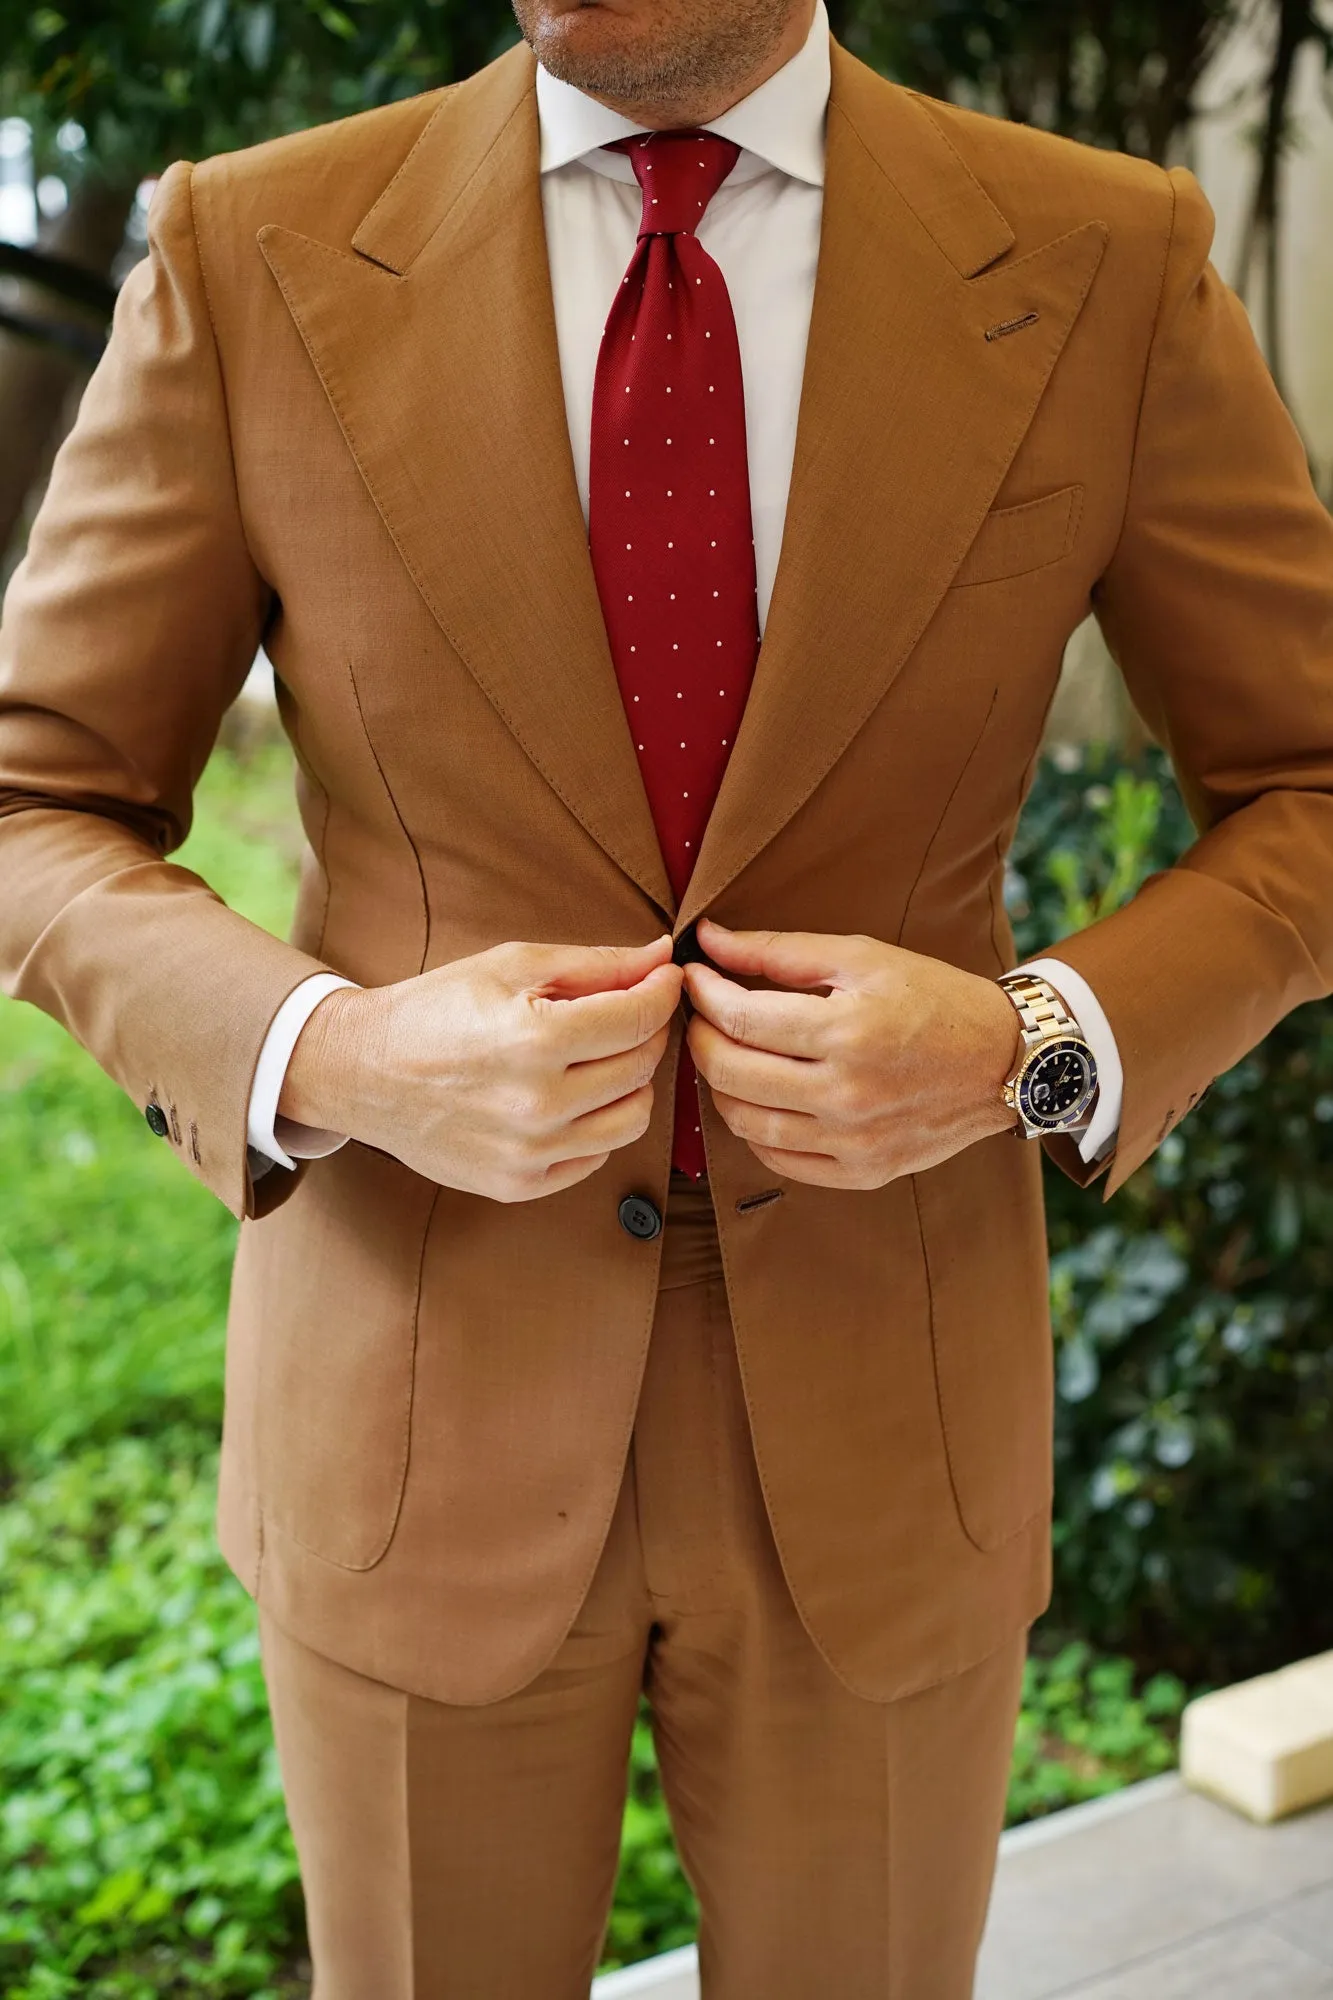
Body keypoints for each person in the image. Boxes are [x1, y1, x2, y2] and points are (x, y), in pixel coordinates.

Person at [2, 0, 1332, 1991]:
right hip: (413, 1389)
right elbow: (38, 798)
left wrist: (1028, 1035)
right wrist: (338, 1051)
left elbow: (1308, 780)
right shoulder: (245, 248)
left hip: (894, 1411)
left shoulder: (1097, 259)